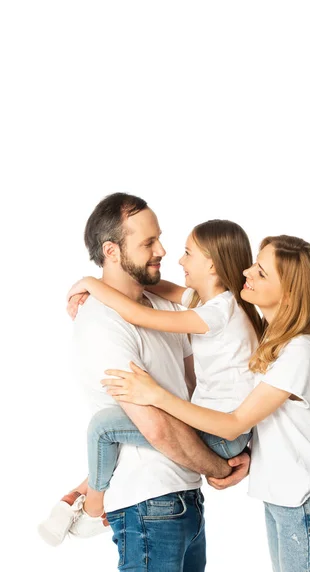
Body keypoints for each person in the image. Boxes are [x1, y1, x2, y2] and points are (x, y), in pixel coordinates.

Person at [102, 235, 310, 572]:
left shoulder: (300, 351)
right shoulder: (275, 336)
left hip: (304, 500)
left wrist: (156, 395)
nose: (246, 271)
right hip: (288, 497)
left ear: (288, 293)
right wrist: (249, 458)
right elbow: (275, 421)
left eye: (261, 272)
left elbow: (234, 422)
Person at [38, 192, 249, 572]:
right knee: (105, 428)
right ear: (113, 251)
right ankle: (91, 501)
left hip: (184, 499)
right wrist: (220, 467)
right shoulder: (101, 321)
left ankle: (86, 497)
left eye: (160, 238)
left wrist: (226, 450)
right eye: (148, 242)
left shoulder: (171, 307)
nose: (163, 250)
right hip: (149, 507)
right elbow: (153, 426)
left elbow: (190, 390)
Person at [64, 217, 264, 522]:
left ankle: (93, 507)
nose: (178, 258)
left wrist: (91, 283)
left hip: (221, 434)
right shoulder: (214, 302)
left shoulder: (215, 314)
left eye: (188, 253)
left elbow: (137, 314)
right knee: (130, 426)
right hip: (225, 430)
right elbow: (163, 288)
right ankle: (89, 487)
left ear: (211, 266)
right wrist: (110, 287)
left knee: (104, 427)